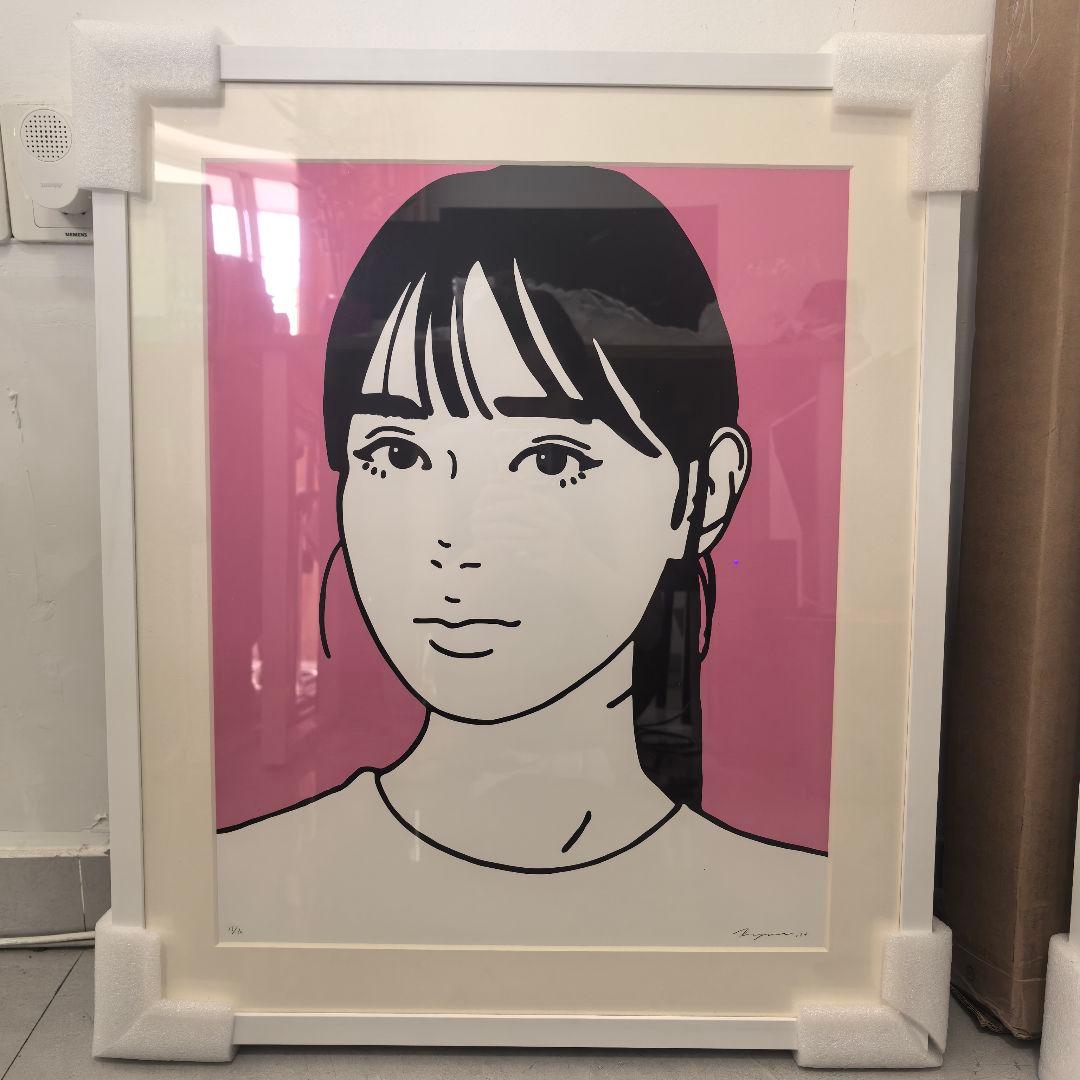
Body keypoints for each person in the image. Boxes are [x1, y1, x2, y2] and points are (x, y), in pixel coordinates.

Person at [217, 165, 827, 946]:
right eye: (399, 453)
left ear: (706, 492)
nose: (453, 536)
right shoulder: (240, 892)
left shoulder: (800, 920)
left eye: (549, 459)